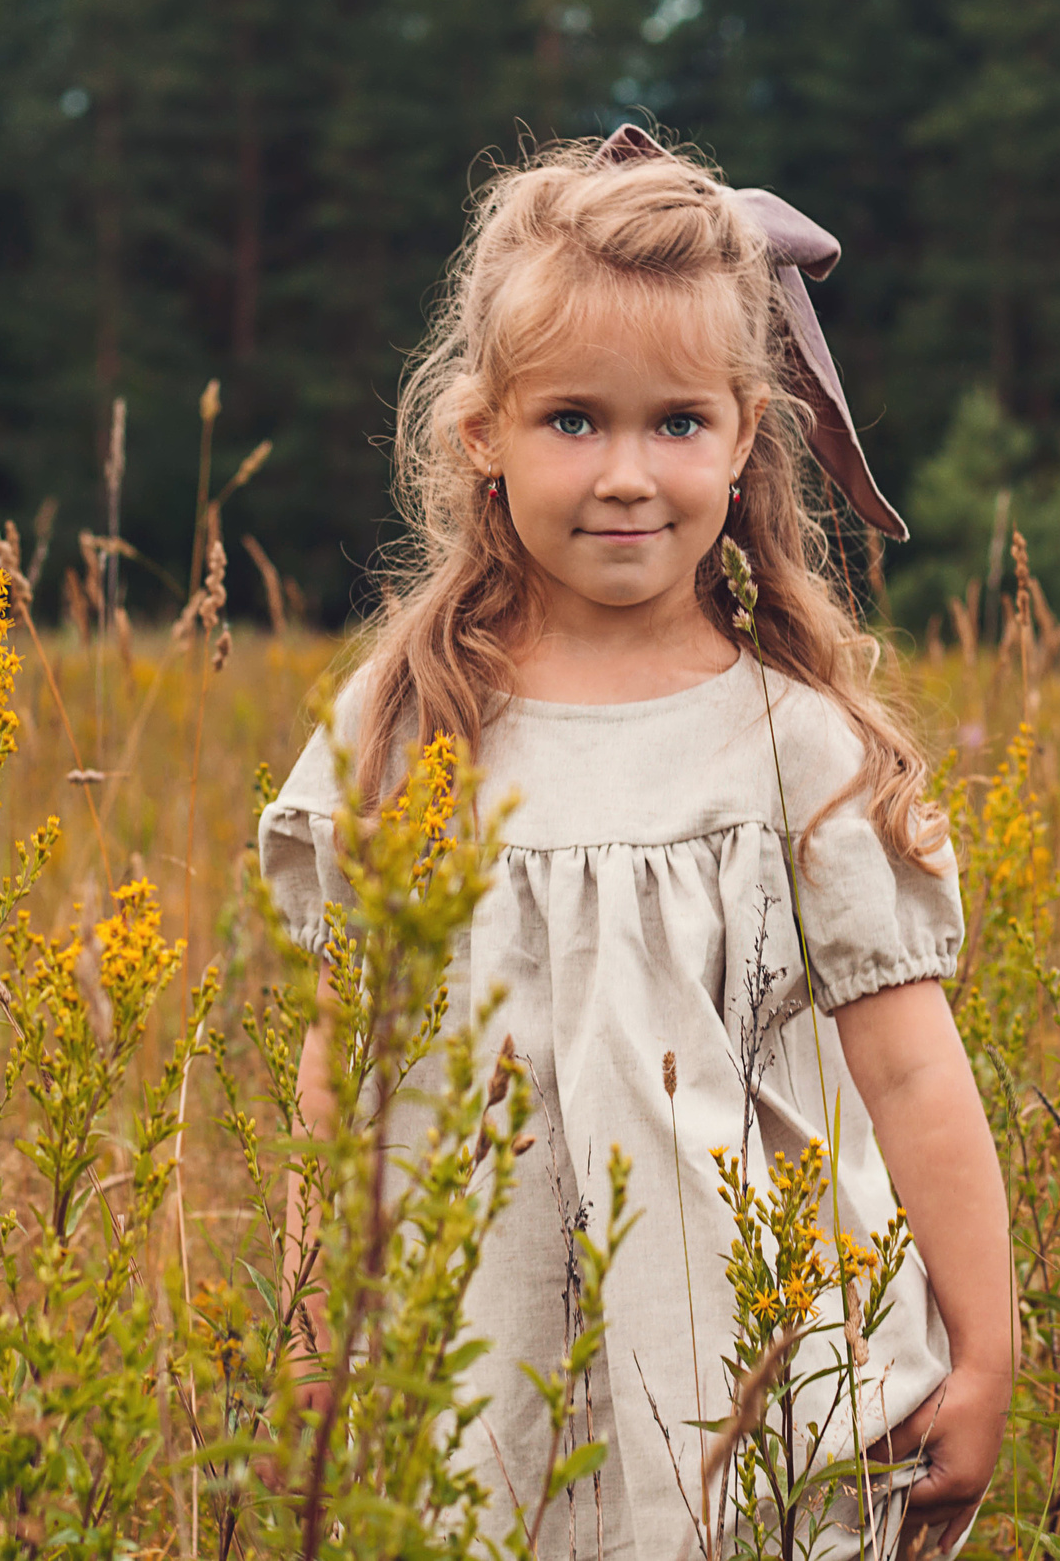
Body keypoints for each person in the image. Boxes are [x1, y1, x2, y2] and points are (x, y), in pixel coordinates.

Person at [257, 127, 1012, 1560]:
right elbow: (338, 1056)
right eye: (572, 422)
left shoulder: (796, 747)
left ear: (744, 431)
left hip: (761, 1376)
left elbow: (911, 1065)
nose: (626, 473)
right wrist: (318, 1328)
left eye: (675, 423)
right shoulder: (410, 730)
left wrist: (988, 1351)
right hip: (475, 1361)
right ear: (481, 432)